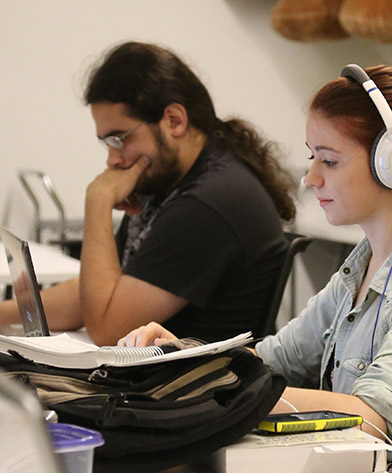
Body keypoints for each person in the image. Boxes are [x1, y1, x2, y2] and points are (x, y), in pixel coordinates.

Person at [119, 64, 392, 473]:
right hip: (359, 465)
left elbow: (371, 416)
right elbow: (273, 360)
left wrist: (235, 392)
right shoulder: (360, 268)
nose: (310, 177)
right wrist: (188, 360)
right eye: (312, 156)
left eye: (329, 161)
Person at [0, 41, 296, 346]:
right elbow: (98, 292)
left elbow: (106, 329)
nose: (112, 160)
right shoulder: (172, 182)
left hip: (191, 389)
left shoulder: (207, 203)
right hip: (156, 379)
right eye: (107, 144)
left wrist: (98, 203)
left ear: (174, 120)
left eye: (120, 139)